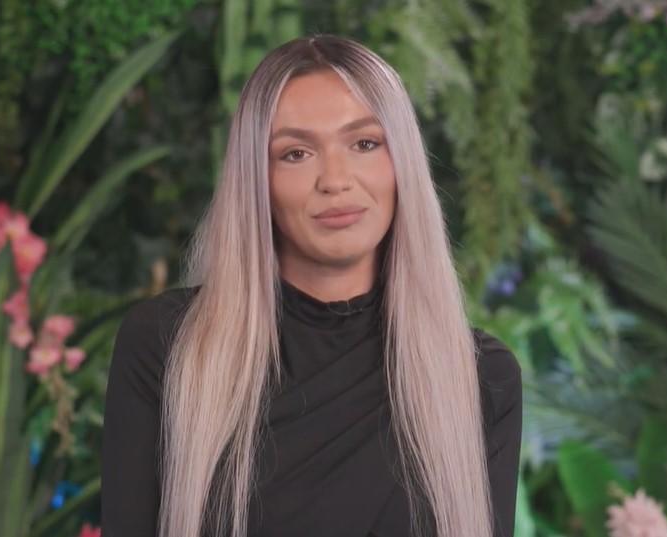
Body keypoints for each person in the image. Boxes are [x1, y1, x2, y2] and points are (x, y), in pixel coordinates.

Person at [101, 34, 522, 537]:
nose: (335, 180)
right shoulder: (169, 346)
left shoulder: (479, 379)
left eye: (364, 144)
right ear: (258, 180)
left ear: (402, 163)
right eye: (296, 153)